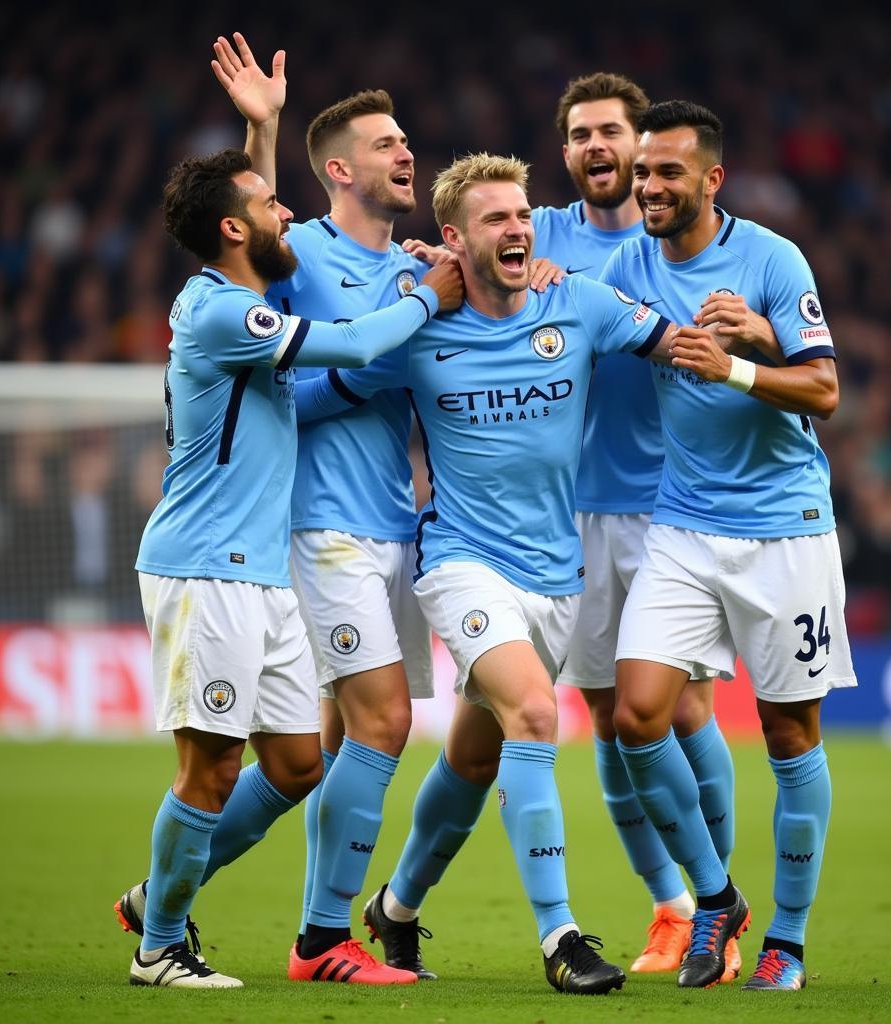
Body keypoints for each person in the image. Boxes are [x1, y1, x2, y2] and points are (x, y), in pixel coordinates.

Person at [297, 153, 687, 994]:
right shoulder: (417, 325)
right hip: (462, 562)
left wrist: (755, 352)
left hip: (558, 575)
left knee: (476, 759)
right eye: (494, 220)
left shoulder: (576, 301)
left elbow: (673, 342)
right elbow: (318, 390)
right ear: (452, 240)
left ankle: (394, 912)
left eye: (522, 217)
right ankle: (561, 938)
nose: (516, 230)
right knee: (536, 713)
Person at [116, 146, 461, 989]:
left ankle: (156, 897)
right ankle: (159, 943)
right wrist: (428, 297)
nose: (289, 218)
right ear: (235, 228)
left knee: (299, 764)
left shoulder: (246, 295)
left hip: (258, 573)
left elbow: (259, 230)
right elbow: (349, 343)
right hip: (204, 570)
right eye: (273, 206)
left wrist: (259, 126)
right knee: (209, 769)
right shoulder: (218, 313)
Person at [605, 100, 857, 991]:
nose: (650, 188)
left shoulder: (772, 260)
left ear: (712, 179)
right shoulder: (628, 258)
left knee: (790, 732)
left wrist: (747, 356)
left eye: (668, 173)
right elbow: (546, 276)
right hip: (681, 526)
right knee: (635, 715)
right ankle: (717, 898)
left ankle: (785, 941)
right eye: (643, 174)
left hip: (785, 532)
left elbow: (824, 391)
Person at [533, 72, 749, 979]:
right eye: (579, 133)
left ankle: (719, 908)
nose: (596, 147)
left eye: (611, 132)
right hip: (572, 511)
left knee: (679, 709)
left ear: (644, 147)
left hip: (670, 508)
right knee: (608, 721)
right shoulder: (536, 235)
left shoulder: (683, 247)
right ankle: (672, 908)